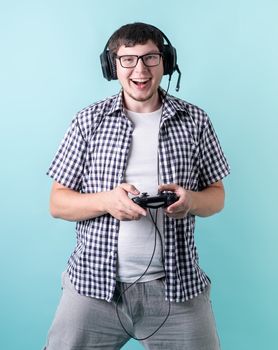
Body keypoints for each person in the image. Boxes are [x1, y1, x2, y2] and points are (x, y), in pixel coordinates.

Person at [44, 22, 230, 350]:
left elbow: (216, 197)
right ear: (112, 66)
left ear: (166, 62)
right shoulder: (88, 122)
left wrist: (191, 201)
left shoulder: (195, 121)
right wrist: (106, 202)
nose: (140, 69)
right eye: (128, 59)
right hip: (93, 287)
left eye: (150, 58)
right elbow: (57, 203)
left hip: (177, 287)